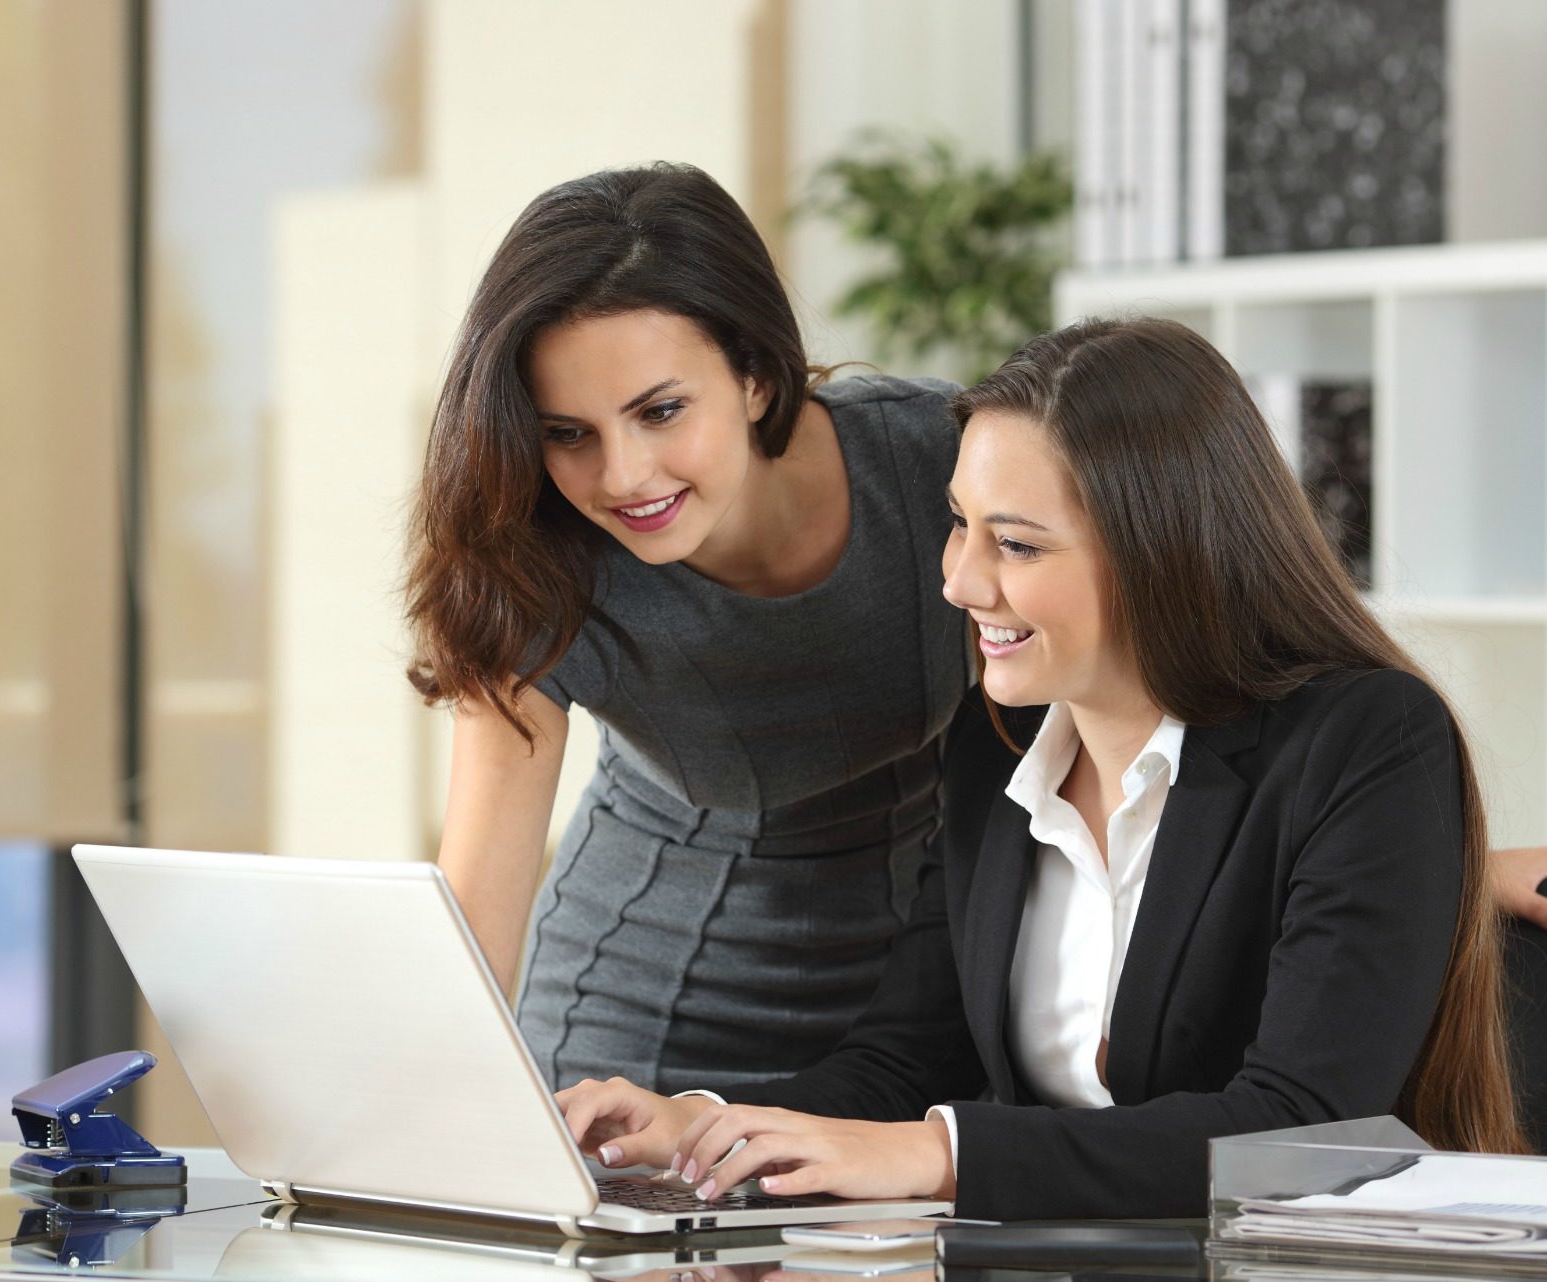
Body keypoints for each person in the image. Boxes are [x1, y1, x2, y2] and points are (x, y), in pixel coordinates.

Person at [554, 316, 1527, 1220]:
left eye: (1014, 542)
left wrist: (942, 1153)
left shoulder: (1367, 738)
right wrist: (706, 1124)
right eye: (958, 522)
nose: (959, 579)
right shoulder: (997, 745)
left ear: (1165, 554)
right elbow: (903, 1058)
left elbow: (1300, 1124)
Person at [403, 163, 968, 1094]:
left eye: (660, 411)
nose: (622, 476)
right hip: (634, 1039)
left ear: (752, 373)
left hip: (912, 1031)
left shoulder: (937, 462)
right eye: (567, 433)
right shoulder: (535, 563)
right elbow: (473, 920)